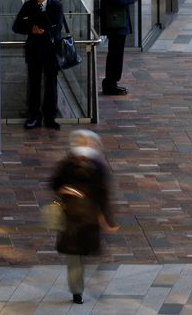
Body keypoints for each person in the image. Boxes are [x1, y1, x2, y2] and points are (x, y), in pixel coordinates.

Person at [50, 130, 118, 304]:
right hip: (80, 216)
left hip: (79, 217)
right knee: (80, 254)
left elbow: (54, 184)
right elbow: (103, 194)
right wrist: (107, 220)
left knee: (79, 255)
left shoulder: (75, 163)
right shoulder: (86, 164)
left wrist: (65, 190)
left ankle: (79, 289)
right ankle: (81, 288)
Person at [12, 0, 64, 130]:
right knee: (34, 83)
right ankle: (34, 116)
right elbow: (16, 26)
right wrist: (31, 29)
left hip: (51, 49)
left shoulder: (56, 6)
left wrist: (46, 32)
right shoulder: (29, 6)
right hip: (34, 49)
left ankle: (50, 117)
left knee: (51, 83)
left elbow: (58, 27)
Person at [99, 0, 141, 95]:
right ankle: (110, 84)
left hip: (118, 22)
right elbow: (117, 0)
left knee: (117, 54)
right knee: (115, 54)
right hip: (115, 23)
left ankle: (112, 83)